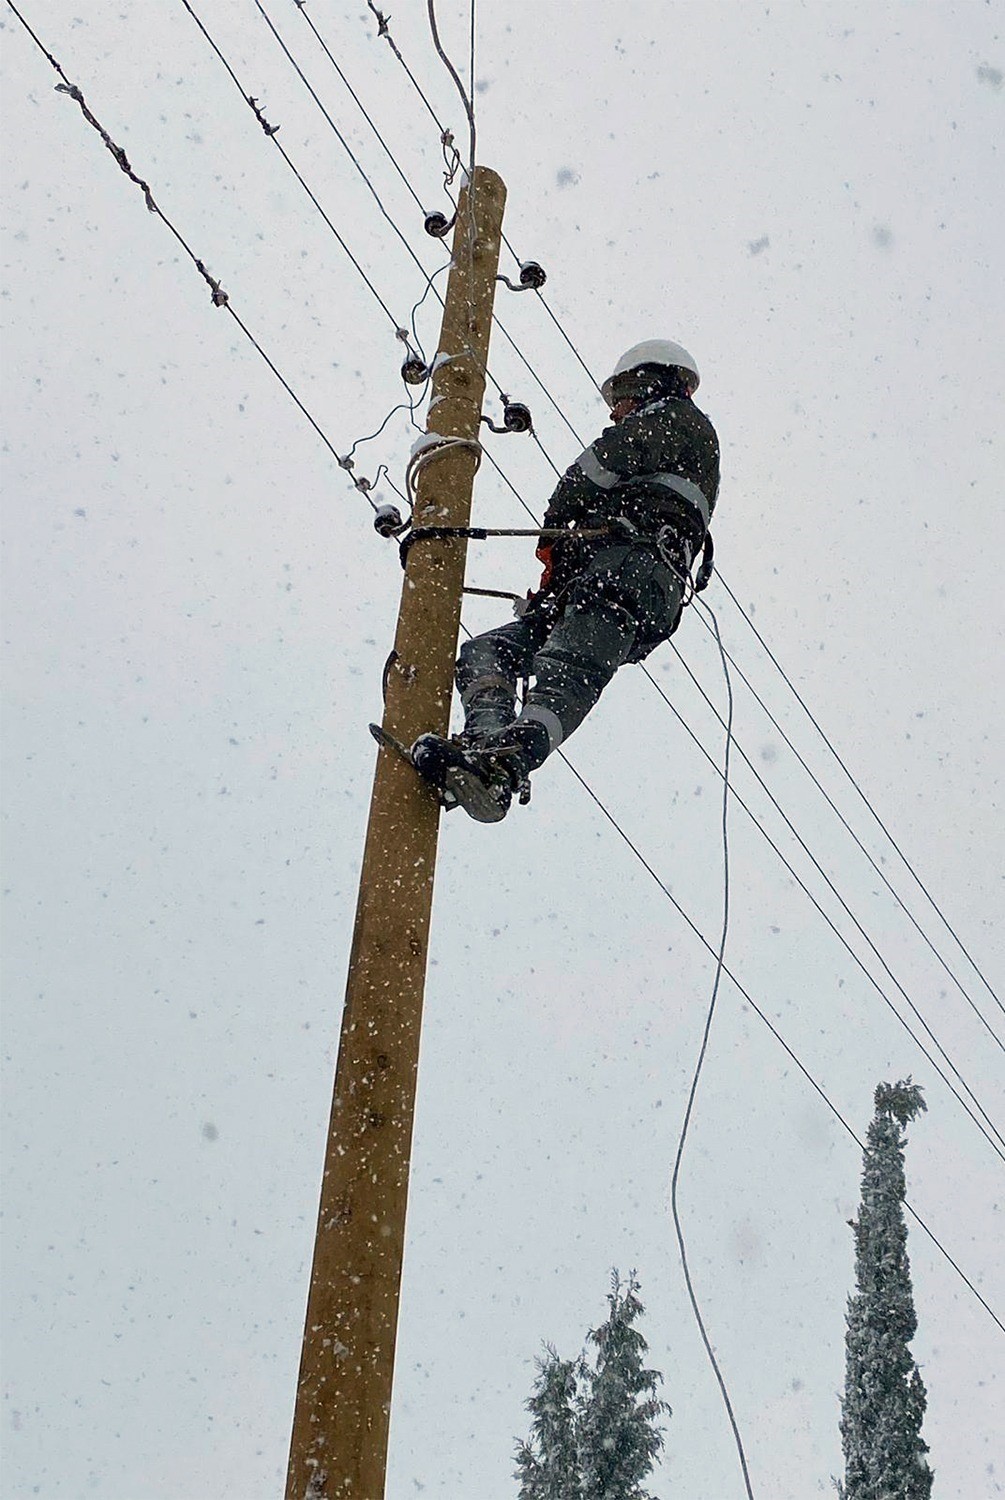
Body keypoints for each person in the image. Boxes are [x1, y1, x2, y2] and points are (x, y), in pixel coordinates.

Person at [412, 338, 720, 822]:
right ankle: (484, 743)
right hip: (596, 582)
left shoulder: (678, 422)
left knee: (568, 670)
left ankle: (503, 765)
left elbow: (597, 468)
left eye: (622, 395)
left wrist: (557, 524)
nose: (616, 410)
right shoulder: (666, 432)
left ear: (650, 380)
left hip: (631, 576)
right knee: (485, 653)